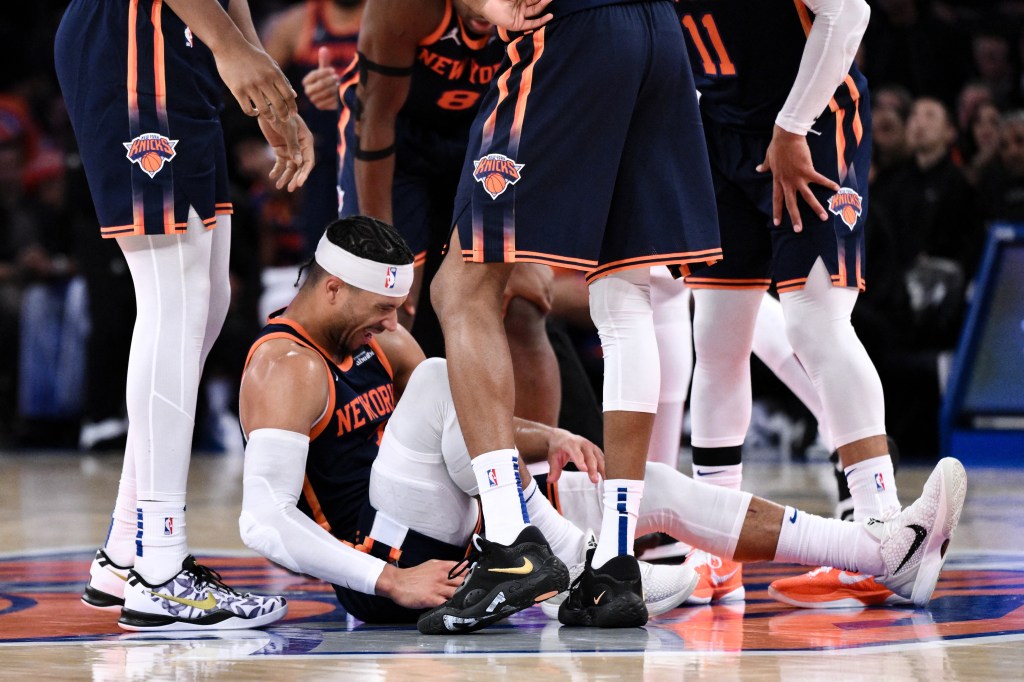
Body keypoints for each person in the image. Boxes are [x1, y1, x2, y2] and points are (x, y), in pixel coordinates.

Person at [236, 216, 967, 631]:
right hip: (390, 569)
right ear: (331, 288)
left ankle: (881, 553)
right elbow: (264, 523)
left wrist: (544, 438)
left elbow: (467, 430)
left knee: (641, 482)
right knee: (436, 375)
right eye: (381, 311)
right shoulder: (282, 365)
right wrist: (388, 584)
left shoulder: (377, 337)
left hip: (455, 526)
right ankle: (576, 564)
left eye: (399, 311)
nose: (393, 326)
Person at [428, 0, 723, 631]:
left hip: (574, 29)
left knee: (463, 286)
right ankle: (616, 565)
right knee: (623, 298)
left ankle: (510, 541)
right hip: (661, 34)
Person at [55, 0, 313, 630]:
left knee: (206, 303)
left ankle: (125, 553)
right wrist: (231, 46)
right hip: (138, 33)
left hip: (186, 38)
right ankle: (162, 568)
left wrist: (259, 79)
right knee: (174, 296)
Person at [673, 0, 909, 608]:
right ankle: (713, 549)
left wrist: (791, 126)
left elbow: (849, 14)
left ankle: (885, 532)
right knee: (717, 337)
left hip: (812, 127)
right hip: (721, 132)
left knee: (815, 324)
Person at [302, 0, 562, 425]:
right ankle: (373, 453)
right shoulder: (408, 8)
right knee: (383, 301)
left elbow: (548, 120)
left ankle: (535, 468)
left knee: (521, 300)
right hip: (396, 140)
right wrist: (380, 248)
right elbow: (377, 121)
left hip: (485, 139)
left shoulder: (543, 12)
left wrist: (528, 245)